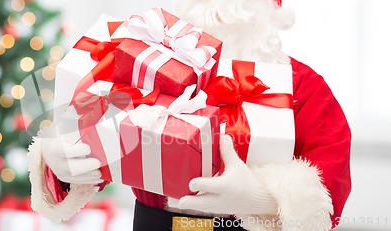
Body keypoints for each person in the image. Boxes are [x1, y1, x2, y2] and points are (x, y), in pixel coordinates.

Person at [27, 0, 352, 230]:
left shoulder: (300, 86)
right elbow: (93, 124)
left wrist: (258, 200)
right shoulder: (147, 64)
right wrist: (59, 158)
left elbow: (328, 189)